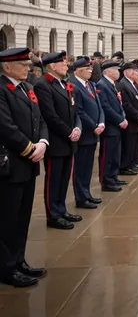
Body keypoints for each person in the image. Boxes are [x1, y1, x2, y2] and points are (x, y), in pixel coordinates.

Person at [0, 48, 48, 287]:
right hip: (12, 164)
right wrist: (30, 149)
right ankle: (7, 269)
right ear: (7, 67)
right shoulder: (1, 90)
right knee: (7, 219)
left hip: (29, 163)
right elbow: (5, 127)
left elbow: (39, 120)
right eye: (23, 64)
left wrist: (43, 142)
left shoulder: (27, 88)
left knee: (23, 216)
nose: (28, 68)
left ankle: (19, 260)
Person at [34, 51, 83, 230]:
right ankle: (53, 215)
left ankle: (61, 209)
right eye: (62, 63)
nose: (66, 65)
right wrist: (69, 132)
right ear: (52, 66)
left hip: (69, 140)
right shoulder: (43, 85)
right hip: (56, 141)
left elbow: (74, 110)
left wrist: (77, 127)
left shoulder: (65, 84)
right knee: (53, 180)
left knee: (64, 179)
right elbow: (49, 115)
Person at [69, 57, 105, 208]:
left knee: (88, 166)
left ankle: (87, 193)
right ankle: (81, 198)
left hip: (94, 132)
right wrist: (94, 125)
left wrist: (102, 121)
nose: (90, 71)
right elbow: (79, 111)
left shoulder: (90, 84)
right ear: (78, 70)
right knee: (80, 166)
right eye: (87, 69)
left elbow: (99, 105)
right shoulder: (74, 85)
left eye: (91, 69)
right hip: (85, 132)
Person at [97, 60, 128, 191]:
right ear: (107, 71)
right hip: (110, 125)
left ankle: (113, 177)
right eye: (115, 69)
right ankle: (106, 181)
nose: (118, 72)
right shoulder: (102, 84)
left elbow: (118, 103)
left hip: (117, 124)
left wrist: (123, 117)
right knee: (107, 155)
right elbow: (105, 107)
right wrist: (119, 120)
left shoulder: (112, 84)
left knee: (115, 153)